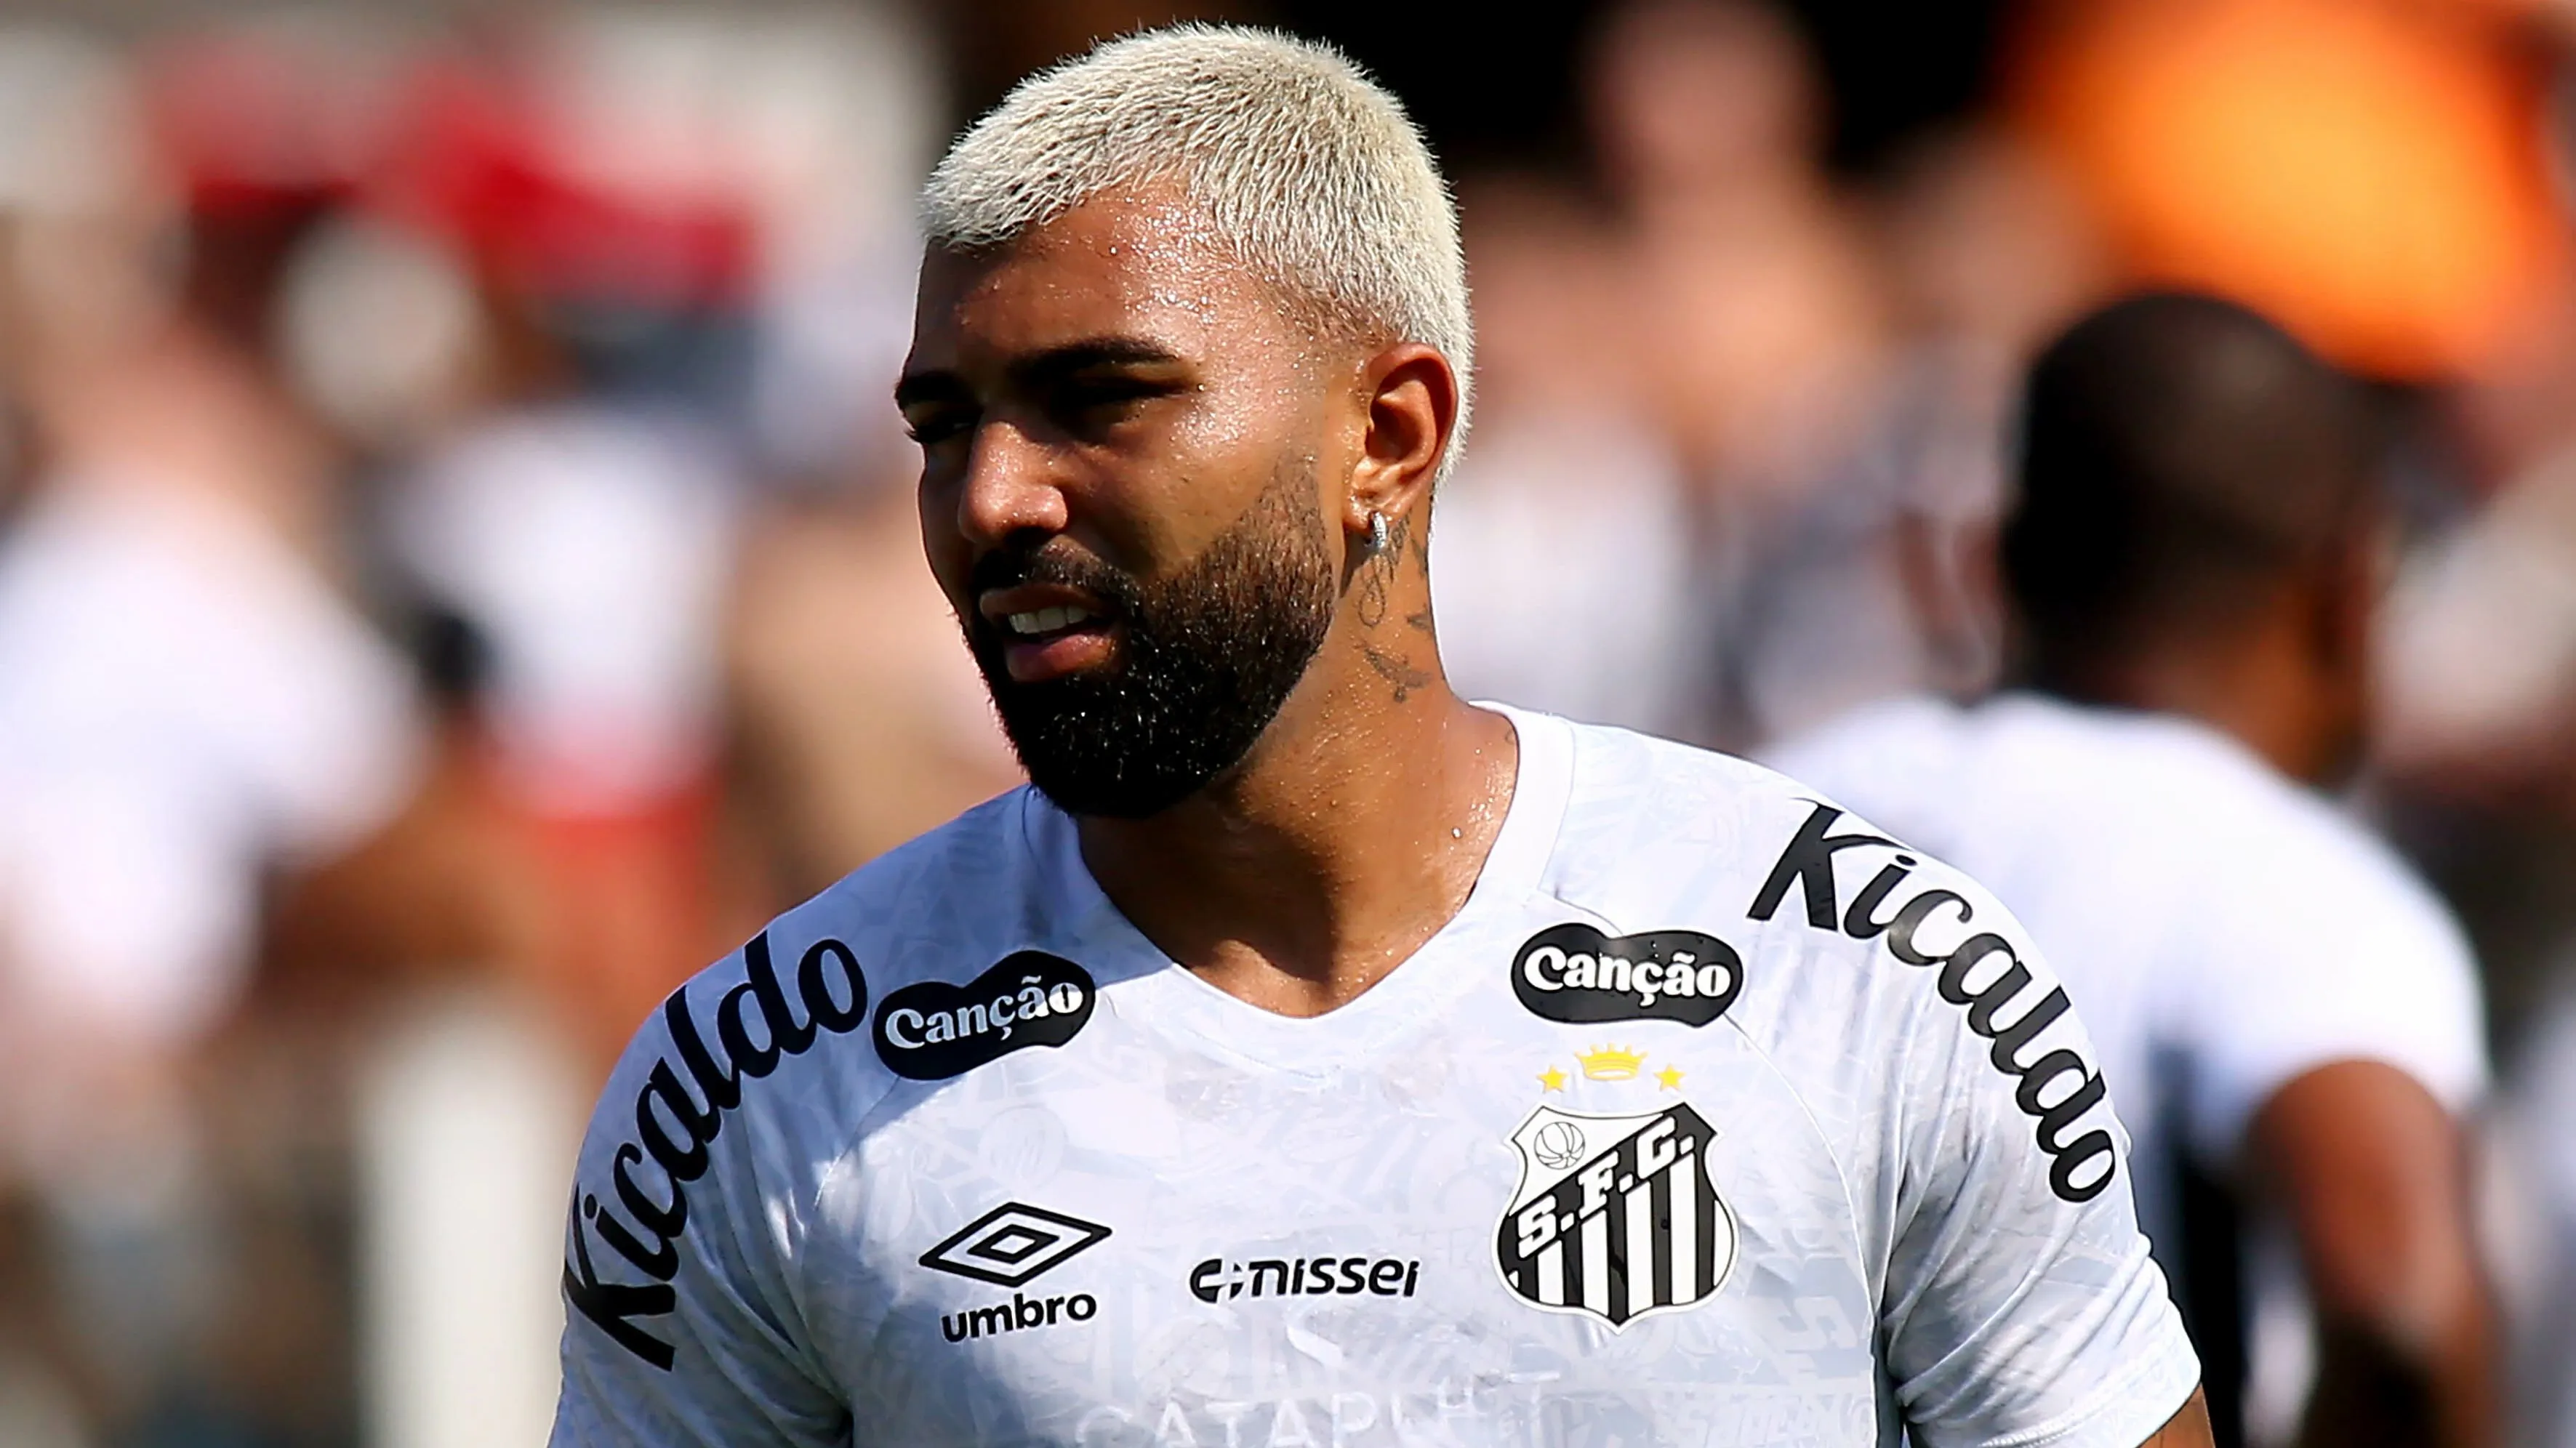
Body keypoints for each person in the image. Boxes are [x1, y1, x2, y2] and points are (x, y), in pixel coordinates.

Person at [549, 28, 2210, 1447]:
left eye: (1102, 395)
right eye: (943, 423)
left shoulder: (1856, 979)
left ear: (1388, 434)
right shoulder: (764, 1082)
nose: (989, 498)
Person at [1770, 294, 2492, 1448]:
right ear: (2347, 591)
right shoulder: (2292, 889)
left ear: (1990, 562)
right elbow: (2400, 1315)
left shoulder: (1762, 808)